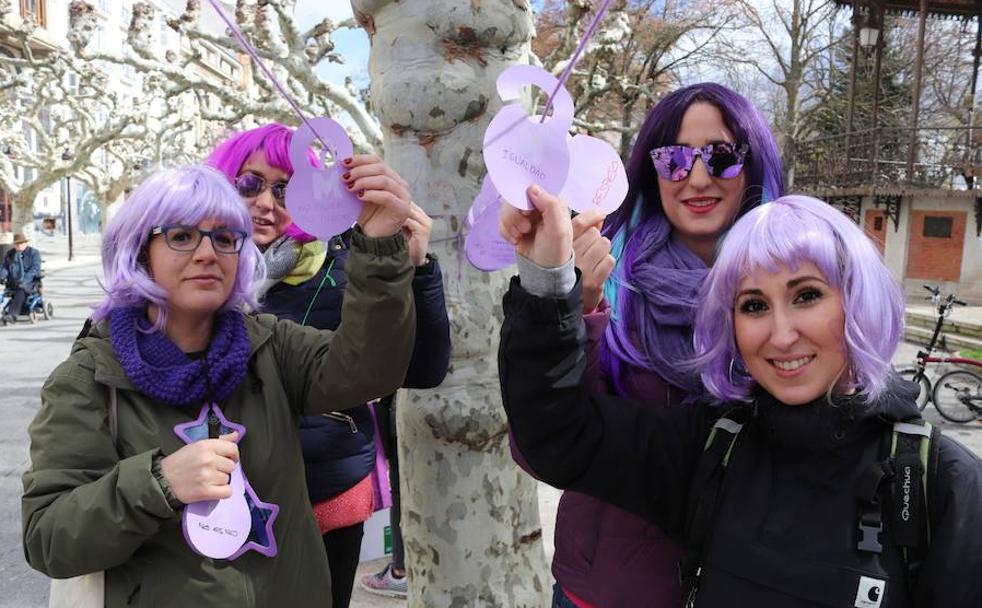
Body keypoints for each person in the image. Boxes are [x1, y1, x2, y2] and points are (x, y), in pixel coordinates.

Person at [499, 190, 982, 607]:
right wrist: (548, 284)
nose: (781, 334)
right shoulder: (712, 446)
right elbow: (559, 435)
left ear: (857, 298)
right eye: (753, 305)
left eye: (807, 295)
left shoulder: (939, 485)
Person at [21, 165, 417, 607]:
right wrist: (158, 483)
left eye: (226, 238)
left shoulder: (270, 348)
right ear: (139, 251)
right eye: (182, 235)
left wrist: (380, 245)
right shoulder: (90, 381)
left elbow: (367, 370)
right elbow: (48, 538)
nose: (208, 253)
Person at [504, 83, 784, 607]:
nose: (697, 177)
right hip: (610, 590)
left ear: (753, 165)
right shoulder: (605, 279)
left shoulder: (796, 287)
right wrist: (566, 302)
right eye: (673, 158)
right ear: (652, 172)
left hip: (751, 582)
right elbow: (541, 446)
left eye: (722, 156)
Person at [206, 124, 451, 607]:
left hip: (328, 489)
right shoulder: (196, 267)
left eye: (284, 187)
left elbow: (421, 369)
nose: (265, 202)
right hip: (221, 492)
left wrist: (417, 269)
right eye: (249, 183)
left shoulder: (347, 264)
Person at [1, 232, 42, 324]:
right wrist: (2, 276)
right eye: (16, 244)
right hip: (13, 282)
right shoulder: (10, 254)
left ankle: (12, 315)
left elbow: (35, 269)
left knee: (21, 289)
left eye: (20, 243)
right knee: (6, 292)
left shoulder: (34, 253)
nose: (18, 245)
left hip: (30, 282)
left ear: (25, 243)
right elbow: (4, 267)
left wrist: (25, 280)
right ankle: (9, 311)